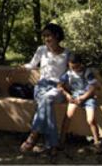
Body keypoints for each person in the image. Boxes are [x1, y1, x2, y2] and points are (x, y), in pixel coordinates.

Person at [18, 23, 70, 155]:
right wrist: (22, 67)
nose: (46, 39)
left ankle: (33, 136)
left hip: (58, 87)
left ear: (57, 36)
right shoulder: (41, 50)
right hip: (41, 86)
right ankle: (52, 144)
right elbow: (32, 64)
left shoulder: (67, 53)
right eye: (44, 36)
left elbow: (71, 74)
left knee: (46, 100)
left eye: (48, 36)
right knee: (47, 104)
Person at [57, 53, 102, 153]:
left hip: (88, 98)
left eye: (76, 67)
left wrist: (83, 98)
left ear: (80, 64)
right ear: (69, 65)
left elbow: (93, 87)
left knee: (90, 120)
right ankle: (61, 141)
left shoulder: (87, 72)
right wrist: (66, 94)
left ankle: (97, 143)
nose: (74, 69)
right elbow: (59, 85)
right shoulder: (68, 73)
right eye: (72, 67)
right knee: (68, 117)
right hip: (74, 98)